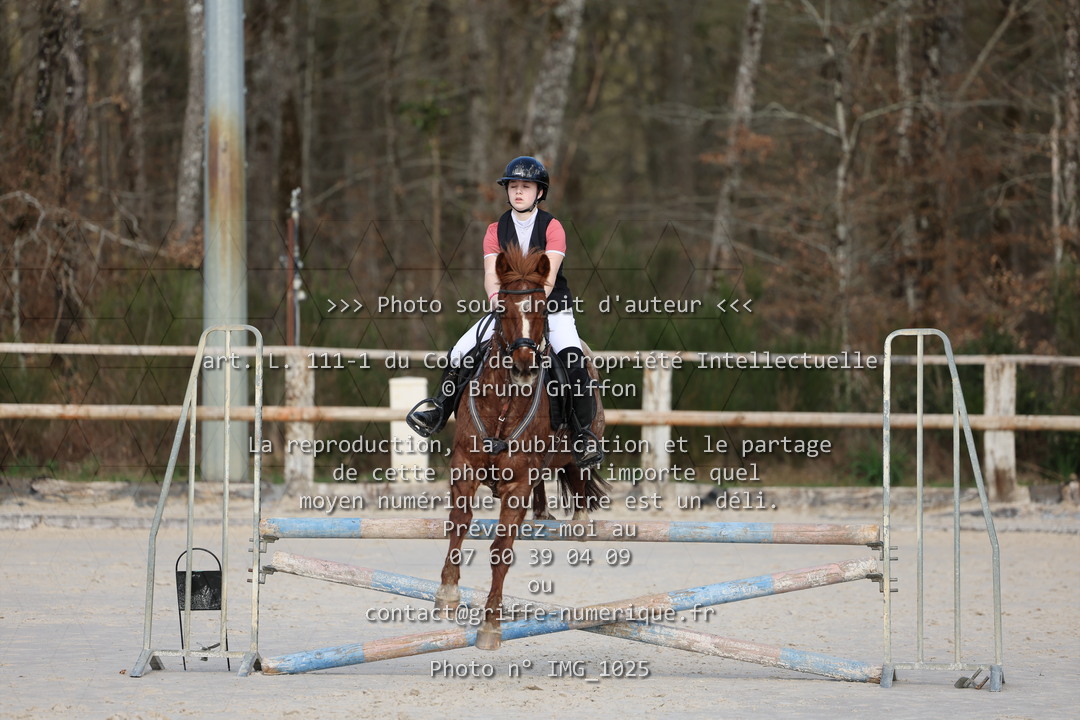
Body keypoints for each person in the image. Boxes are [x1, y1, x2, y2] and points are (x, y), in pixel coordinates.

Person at [406, 156, 603, 468]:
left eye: (526, 186)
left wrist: (530, 307)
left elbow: (549, 277)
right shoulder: (495, 230)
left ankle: (582, 436)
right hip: (508, 310)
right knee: (459, 351)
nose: (519, 192)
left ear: (540, 192)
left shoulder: (553, 227)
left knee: (574, 363)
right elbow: (490, 274)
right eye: (513, 186)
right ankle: (438, 410)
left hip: (552, 309)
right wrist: (498, 300)